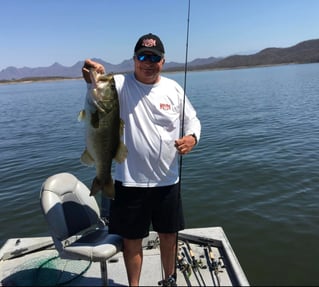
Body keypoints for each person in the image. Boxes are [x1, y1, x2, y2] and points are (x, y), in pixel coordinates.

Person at [82, 33, 201, 286]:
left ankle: (169, 280)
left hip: (167, 180)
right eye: (143, 56)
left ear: (163, 61)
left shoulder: (174, 89)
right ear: (134, 59)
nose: (148, 62)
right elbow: (99, 85)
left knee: (169, 235)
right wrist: (95, 75)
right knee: (131, 240)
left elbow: (192, 121)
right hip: (130, 180)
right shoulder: (121, 84)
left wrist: (192, 137)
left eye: (154, 58)